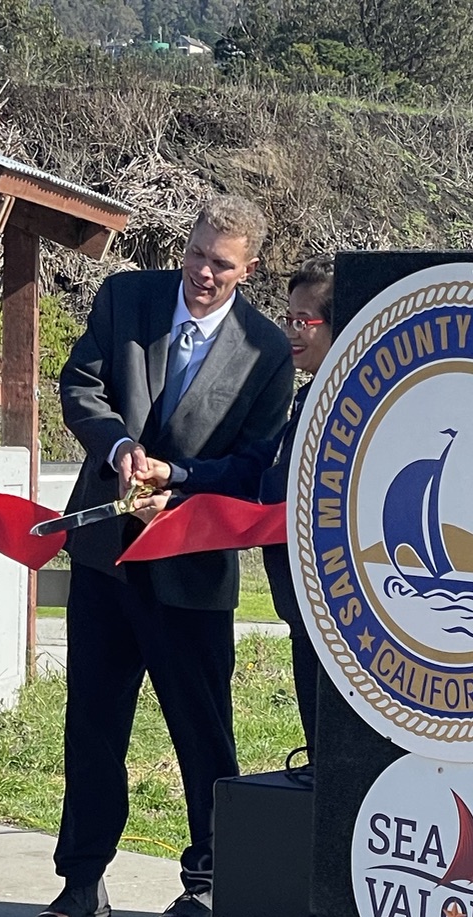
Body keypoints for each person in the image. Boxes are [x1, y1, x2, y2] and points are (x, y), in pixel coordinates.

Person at [38, 196, 292, 917]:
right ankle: (80, 882)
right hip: (106, 562)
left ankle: (208, 886)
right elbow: (81, 387)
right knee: (91, 725)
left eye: (222, 263)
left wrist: (176, 479)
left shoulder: (266, 350)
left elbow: (251, 465)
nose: (202, 273)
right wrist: (120, 450)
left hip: (190, 565)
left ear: (248, 270)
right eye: (196, 254)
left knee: (202, 733)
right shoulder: (128, 296)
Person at [134, 255, 336, 751]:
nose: (292, 331)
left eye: (304, 321)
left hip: (339, 620)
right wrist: (179, 480)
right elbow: (258, 485)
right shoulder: (308, 398)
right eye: (287, 318)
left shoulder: (355, 405)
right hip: (303, 613)